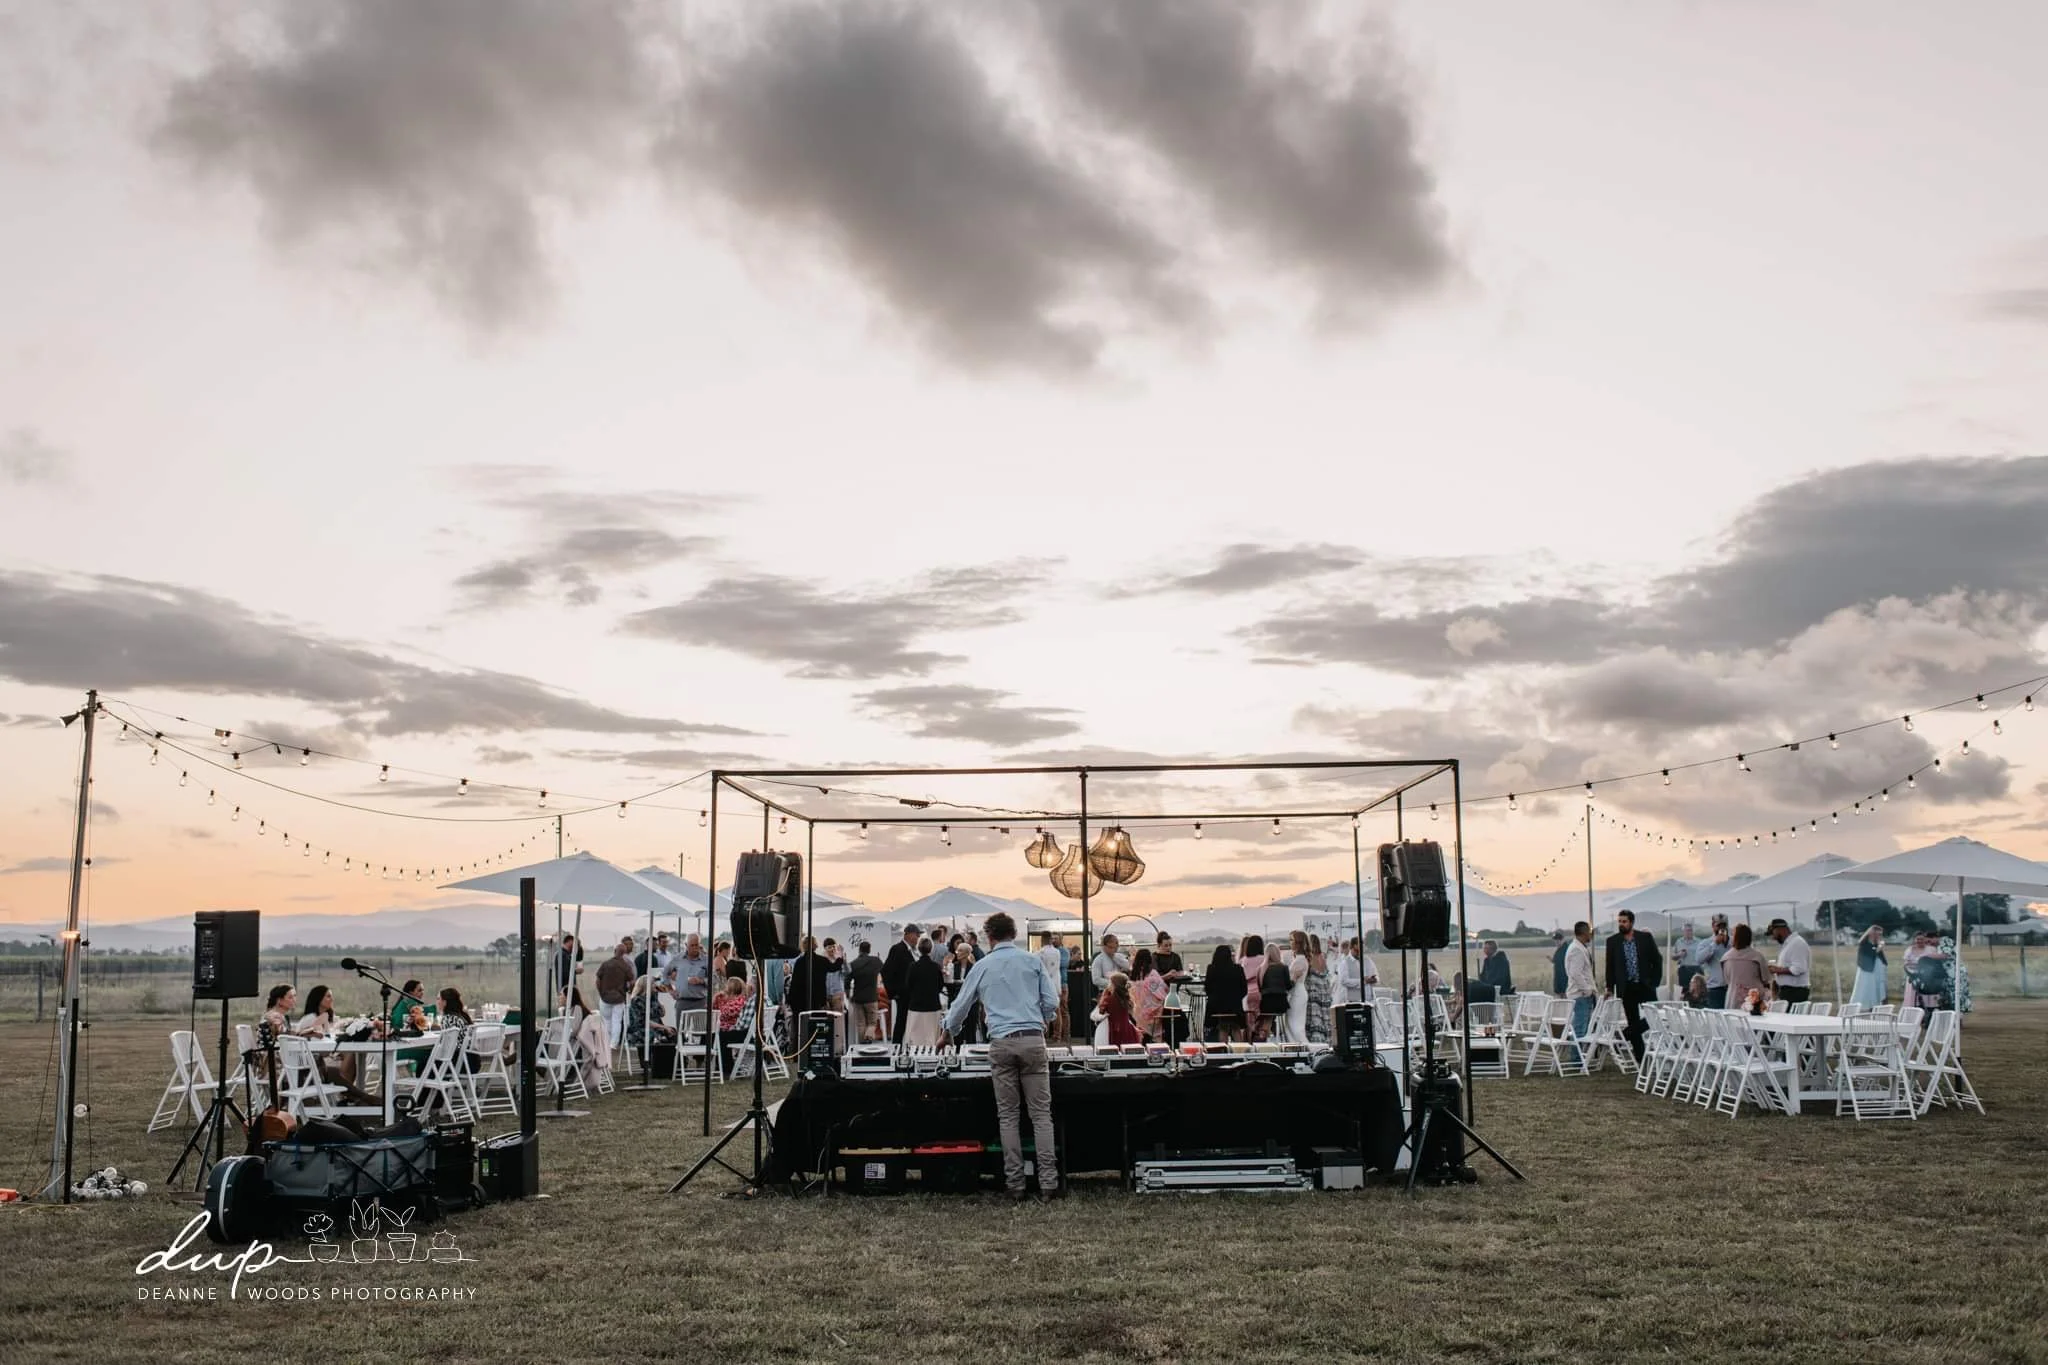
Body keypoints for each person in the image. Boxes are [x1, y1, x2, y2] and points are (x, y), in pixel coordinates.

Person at [943, 911, 1060, 1200]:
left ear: (990, 936)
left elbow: (961, 1006)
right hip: (1033, 1041)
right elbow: (1052, 1001)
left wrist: (949, 1031)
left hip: (1002, 1043)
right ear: (1013, 933)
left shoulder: (982, 966)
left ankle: (1015, 1184)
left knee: (1008, 1116)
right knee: (1041, 1116)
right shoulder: (1032, 961)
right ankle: (1048, 1183)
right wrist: (1043, 1017)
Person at [1604, 909, 1662, 1061]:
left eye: (1624, 921)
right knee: (1633, 1020)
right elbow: (1610, 966)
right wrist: (1609, 987)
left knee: (1654, 1017)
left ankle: (1623, 1035)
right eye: (1619, 921)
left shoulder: (1645, 938)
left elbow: (1657, 960)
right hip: (1626, 987)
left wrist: (1654, 981)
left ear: (1631, 922)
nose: (1621, 924)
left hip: (1644, 985)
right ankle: (1640, 1058)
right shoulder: (1613, 941)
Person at [1564, 921, 1597, 1067]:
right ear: (1584, 932)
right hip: (1580, 995)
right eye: (1589, 931)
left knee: (1581, 1026)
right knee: (1580, 1027)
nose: (1591, 934)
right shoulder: (1576, 949)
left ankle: (1578, 1057)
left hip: (1581, 994)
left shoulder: (1579, 947)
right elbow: (1575, 973)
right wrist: (1587, 990)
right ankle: (1576, 1059)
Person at [903, 938, 947, 1047]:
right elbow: (940, 985)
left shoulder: (913, 966)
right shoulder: (936, 967)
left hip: (916, 1005)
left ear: (918, 949)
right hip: (933, 1005)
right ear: (931, 949)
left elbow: (908, 985)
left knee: (915, 1037)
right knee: (931, 1036)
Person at [884, 924, 923, 1045]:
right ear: (908, 934)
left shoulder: (911, 951)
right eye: (916, 935)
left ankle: (904, 1045)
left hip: (911, 994)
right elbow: (886, 971)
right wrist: (893, 993)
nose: (917, 938)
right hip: (902, 994)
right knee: (901, 1021)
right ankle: (896, 1046)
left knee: (908, 1022)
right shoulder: (897, 949)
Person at [596, 938, 636, 1046]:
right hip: (619, 998)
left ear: (614, 951)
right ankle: (613, 1044)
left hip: (605, 997)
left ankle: (606, 1043)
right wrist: (630, 991)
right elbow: (632, 982)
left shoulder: (605, 964)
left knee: (606, 1021)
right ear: (624, 953)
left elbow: (598, 980)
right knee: (616, 1021)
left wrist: (601, 993)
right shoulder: (626, 966)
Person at [664, 934, 710, 1027]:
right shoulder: (678, 958)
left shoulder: (706, 960)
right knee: (680, 1033)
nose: (694, 948)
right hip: (682, 1001)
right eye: (692, 945)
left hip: (700, 1002)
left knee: (700, 1033)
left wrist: (701, 981)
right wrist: (670, 990)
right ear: (686, 945)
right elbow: (665, 974)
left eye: (696, 945)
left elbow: (715, 980)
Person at [1203, 944, 1246, 1042]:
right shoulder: (1238, 969)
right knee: (1236, 1028)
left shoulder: (1211, 969)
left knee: (1223, 1027)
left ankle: (1223, 1052)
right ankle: (1240, 1052)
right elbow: (1244, 989)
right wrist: (1235, 998)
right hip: (1235, 1007)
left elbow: (1207, 989)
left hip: (1216, 1008)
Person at [1766, 918, 1811, 1005]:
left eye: (1773, 933)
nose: (1773, 937)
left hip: (1794, 992)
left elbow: (1799, 968)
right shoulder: (1789, 944)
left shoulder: (1797, 943)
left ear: (1781, 929)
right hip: (1787, 991)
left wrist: (1777, 970)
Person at [1092, 970, 1142, 1047]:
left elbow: (1096, 1015)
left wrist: (1103, 998)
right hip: (1126, 1029)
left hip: (1112, 1030)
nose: (1108, 986)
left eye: (1110, 983)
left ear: (1114, 985)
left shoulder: (1109, 999)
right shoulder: (1126, 999)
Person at [847, 940, 883, 1042]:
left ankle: (861, 1045)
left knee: (860, 1023)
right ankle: (868, 1037)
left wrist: (848, 994)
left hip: (858, 998)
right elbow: (885, 971)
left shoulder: (853, 963)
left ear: (859, 950)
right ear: (869, 949)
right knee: (872, 1022)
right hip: (871, 998)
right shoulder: (876, 961)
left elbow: (847, 980)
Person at [1037, 932, 1069, 1041]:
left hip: (1044, 983)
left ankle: (1045, 1034)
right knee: (1057, 1009)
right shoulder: (1057, 952)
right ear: (1050, 939)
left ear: (1042, 940)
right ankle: (1057, 1036)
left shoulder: (1039, 953)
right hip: (1056, 983)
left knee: (1043, 1009)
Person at [1130, 948, 1166, 1040]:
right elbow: (1163, 993)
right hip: (1153, 1013)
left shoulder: (1133, 975)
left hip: (1138, 1013)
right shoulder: (1153, 975)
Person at [1259, 944, 1292, 1042]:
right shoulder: (1283, 967)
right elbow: (1288, 986)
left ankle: (1265, 1038)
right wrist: (1294, 979)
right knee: (1275, 1016)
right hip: (1280, 1002)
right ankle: (1277, 1038)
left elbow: (1260, 986)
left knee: (1268, 1018)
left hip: (1266, 1003)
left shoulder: (1262, 969)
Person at [1303, 934, 1332, 1044]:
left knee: (1314, 1017)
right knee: (1324, 1017)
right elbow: (1326, 974)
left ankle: (1315, 1040)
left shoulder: (1310, 958)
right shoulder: (1322, 957)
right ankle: (1325, 1039)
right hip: (1324, 991)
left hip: (1313, 990)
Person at [1849, 926, 1887, 1008]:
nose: (1880, 936)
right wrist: (1878, 949)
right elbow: (1868, 957)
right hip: (1866, 971)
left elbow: (1881, 958)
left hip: (1875, 972)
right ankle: (1862, 1006)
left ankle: (1874, 1005)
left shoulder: (1876, 944)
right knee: (1864, 988)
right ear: (1872, 933)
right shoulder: (1864, 944)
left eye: (1881, 934)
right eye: (1878, 934)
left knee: (1874, 990)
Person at [1284, 930, 1311, 1043]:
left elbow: (1292, 980)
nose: (1290, 943)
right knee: (1292, 1024)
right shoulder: (1299, 959)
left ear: (1298, 943)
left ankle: (1303, 1047)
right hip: (1296, 993)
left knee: (1295, 1026)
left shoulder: (1299, 960)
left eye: (1292, 940)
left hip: (1297, 993)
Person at [1699, 921, 1731, 1010]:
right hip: (1715, 989)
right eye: (1718, 926)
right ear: (1713, 926)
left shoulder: (1733, 942)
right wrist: (1714, 944)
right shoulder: (1706, 942)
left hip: (1732, 988)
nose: (1721, 929)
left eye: (1723, 926)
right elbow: (1699, 959)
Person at [1241, 935, 1267, 1039]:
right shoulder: (1264, 959)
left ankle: (1248, 1041)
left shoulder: (1244, 960)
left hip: (1248, 994)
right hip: (1261, 993)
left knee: (1249, 1020)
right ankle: (1260, 1038)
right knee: (1262, 1019)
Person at [1550, 930, 1570, 995]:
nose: (1556, 943)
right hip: (1558, 976)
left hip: (1564, 977)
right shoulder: (1559, 949)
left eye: (1557, 941)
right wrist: (1550, 959)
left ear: (1561, 940)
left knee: (1564, 995)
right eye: (1555, 941)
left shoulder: (1566, 949)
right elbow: (1555, 961)